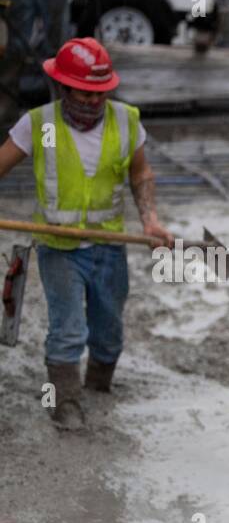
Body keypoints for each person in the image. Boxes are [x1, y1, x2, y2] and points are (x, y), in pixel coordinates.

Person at [0, 37, 174, 430]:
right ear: (63, 87)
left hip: (110, 247)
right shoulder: (39, 124)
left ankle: (99, 384)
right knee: (67, 330)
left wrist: (150, 219)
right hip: (58, 247)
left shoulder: (126, 121)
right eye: (85, 92)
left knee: (109, 331)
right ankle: (65, 405)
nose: (94, 101)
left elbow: (140, 173)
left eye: (101, 92)